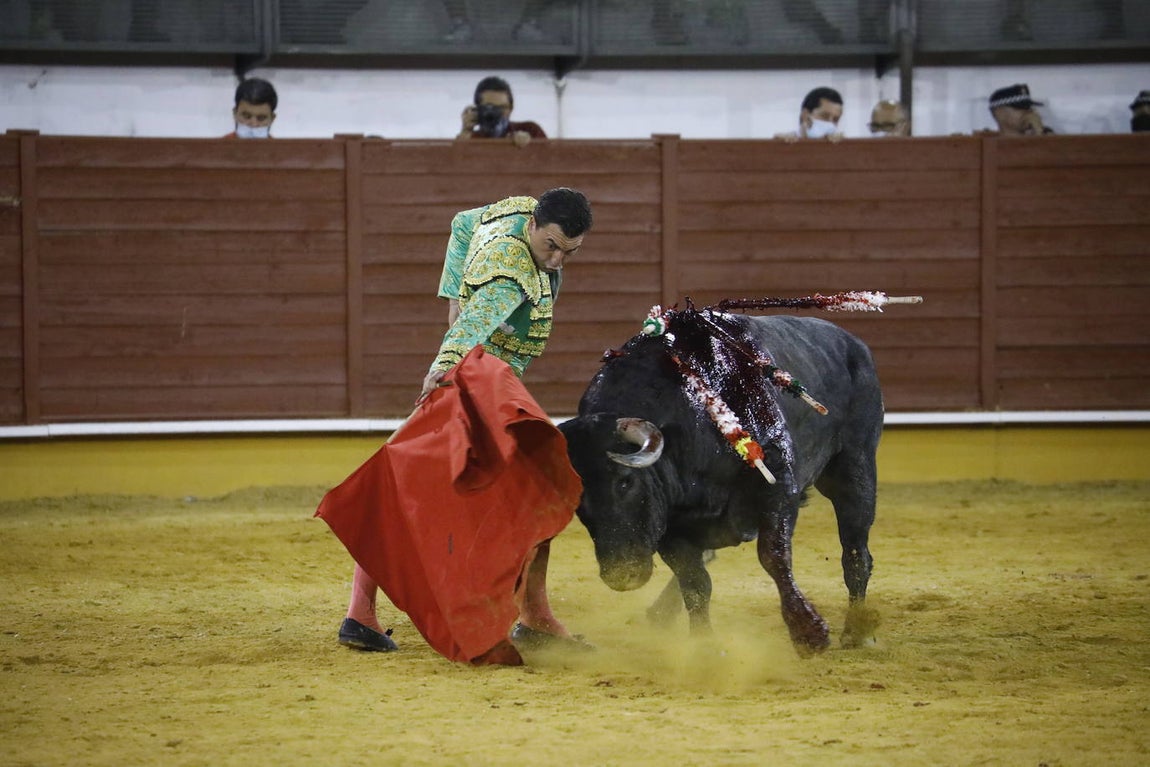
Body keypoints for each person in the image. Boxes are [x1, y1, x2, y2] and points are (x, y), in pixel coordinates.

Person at [339, 187, 593, 654]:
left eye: (569, 252)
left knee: (403, 489)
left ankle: (360, 613)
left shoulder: (515, 210)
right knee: (537, 492)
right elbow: (472, 328)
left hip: (487, 386)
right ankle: (533, 616)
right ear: (534, 225)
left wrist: (452, 294)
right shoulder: (511, 275)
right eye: (551, 246)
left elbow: (461, 222)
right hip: (479, 388)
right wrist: (445, 364)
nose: (556, 261)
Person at [456, 76, 547, 148]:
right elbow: (454, 165)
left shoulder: (530, 130)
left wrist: (530, 145)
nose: (497, 113)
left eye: (502, 108)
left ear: (511, 108)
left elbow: (552, 161)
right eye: (490, 107)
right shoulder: (471, 140)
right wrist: (465, 132)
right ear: (478, 110)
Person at [776, 86, 845, 142]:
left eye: (836, 119)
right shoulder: (787, 140)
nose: (831, 124)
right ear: (805, 115)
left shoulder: (839, 147)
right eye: (824, 116)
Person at [988, 83, 1053, 136]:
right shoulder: (987, 146)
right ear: (1000, 113)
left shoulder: (1047, 135)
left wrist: (1040, 134)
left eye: (1029, 107)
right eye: (1019, 107)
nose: (1028, 111)